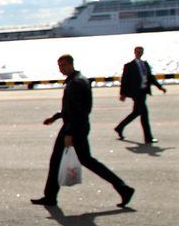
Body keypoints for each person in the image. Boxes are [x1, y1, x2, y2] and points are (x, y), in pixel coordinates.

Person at [31, 54, 134, 208]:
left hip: (74, 127)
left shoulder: (77, 83)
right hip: (77, 125)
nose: (61, 68)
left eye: (63, 65)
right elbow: (71, 108)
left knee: (63, 161)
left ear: (71, 64)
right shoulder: (77, 80)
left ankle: (123, 188)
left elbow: (79, 111)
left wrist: (70, 133)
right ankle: (123, 188)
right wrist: (55, 117)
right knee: (83, 160)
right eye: (59, 65)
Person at [115, 46, 166, 144]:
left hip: (143, 92)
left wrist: (160, 87)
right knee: (144, 115)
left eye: (141, 52)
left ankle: (119, 127)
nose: (139, 53)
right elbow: (124, 80)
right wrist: (122, 94)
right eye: (138, 52)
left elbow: (151, 77)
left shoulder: (145, 64)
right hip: (136, 93)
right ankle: (148, 138)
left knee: (136, 112)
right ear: (134, 52)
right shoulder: (129, 65)